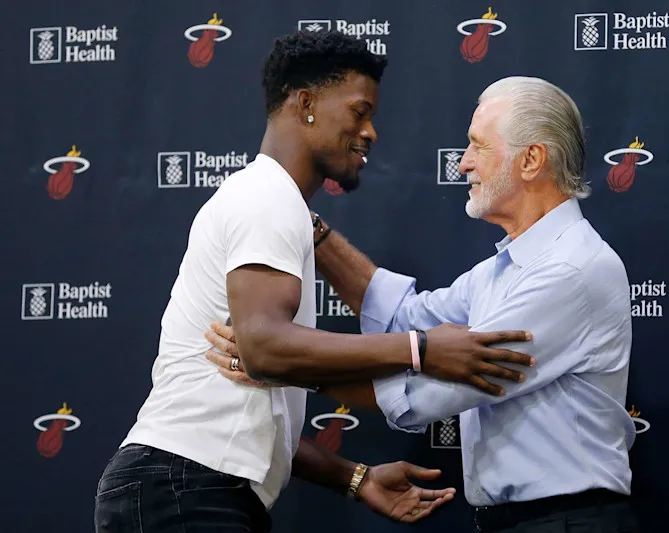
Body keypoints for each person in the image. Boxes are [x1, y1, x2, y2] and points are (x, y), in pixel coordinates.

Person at [94, 31, 535, 533]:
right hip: (184, 487)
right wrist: (421, 349)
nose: (370, 132)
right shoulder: (268, 197)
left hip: (188, 487)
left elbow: (259, 392)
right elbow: (265, 350)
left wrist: (354, 477)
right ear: (306, 103)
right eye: (358, 111)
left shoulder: (280, 205)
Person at [205, 76, 643, 533]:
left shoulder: (568, 271)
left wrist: (280, 362)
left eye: (477, 147)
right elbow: (403, 318)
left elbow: (425, 392)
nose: (464, 165)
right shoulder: (509, 268)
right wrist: (306, 225)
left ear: (531, 160)